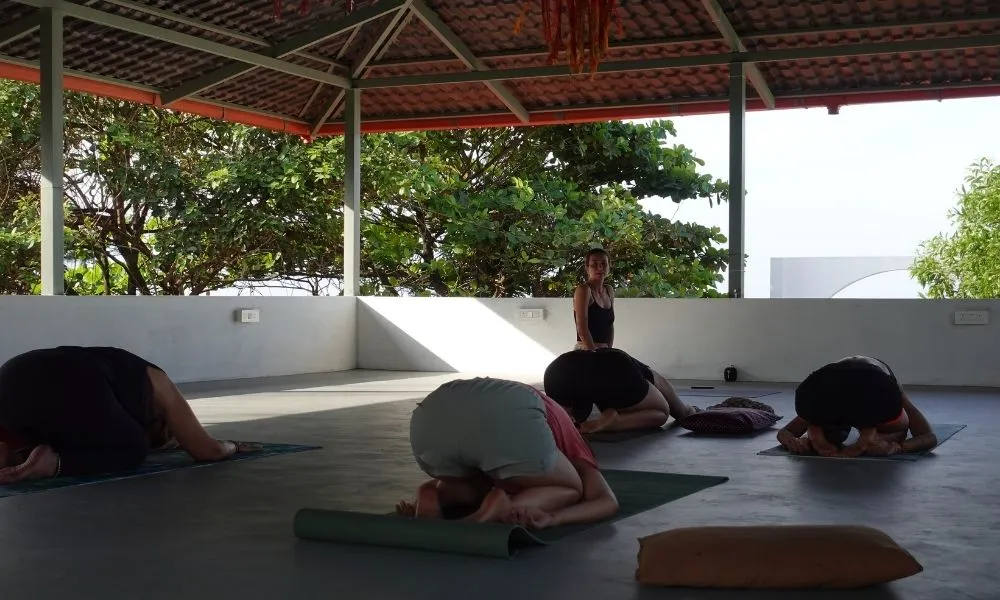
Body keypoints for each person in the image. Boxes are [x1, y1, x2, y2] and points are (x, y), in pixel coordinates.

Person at [0, 346, 260, 483]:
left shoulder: (118, 375)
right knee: (133, 448)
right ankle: (51, 464)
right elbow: (207, 451)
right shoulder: (159, 381)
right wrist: (231, 446)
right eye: (170, 431)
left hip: (12, 377)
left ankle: (7, 452)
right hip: (71, 382)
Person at [396, 377, 619, 530]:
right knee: (572, 488)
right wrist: (553, 518)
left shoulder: (540, 407)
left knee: (478, 478)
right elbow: (606, 502)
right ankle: (505, 505)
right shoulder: (571, 437)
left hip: (431, 414)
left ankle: (433, 496)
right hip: (508, 413)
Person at [776, 355, 938, 457]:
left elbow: (785, 432)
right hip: (857, 390)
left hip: (865, 389)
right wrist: (898, 446)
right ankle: (871, 436)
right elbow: (928, 437)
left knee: (831, 432)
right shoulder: (886, 393)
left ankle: (816, 432)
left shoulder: (884, 391)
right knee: (898, 429)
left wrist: (793, 441)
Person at [543, 348, 700, 433]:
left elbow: (662, 412)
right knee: (675, 412)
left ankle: (610, 421)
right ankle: (615, 422)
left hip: (560, 377)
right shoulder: (620, 369)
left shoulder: (616, 379)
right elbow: (663, 411)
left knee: (679, 413)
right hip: (613, 368)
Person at [573, 248, 615, 350]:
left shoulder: (609, 290)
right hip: (586, 350)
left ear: (609, 266)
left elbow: (610, 325)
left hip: (604, 351)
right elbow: (582, 330)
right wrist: (595, 356)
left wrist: (609, 350)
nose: (600, 268)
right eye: (594, 264)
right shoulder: (584, 290)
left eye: (604, 264)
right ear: (587, 268)